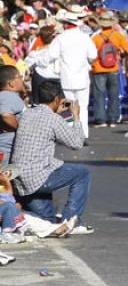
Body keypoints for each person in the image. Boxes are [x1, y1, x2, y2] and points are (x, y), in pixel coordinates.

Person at [12, 80, 93, 234]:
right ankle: (70, 220)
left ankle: (35, 220)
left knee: (48, 222)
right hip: (38, 177)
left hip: (20, 180)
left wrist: (56, 113)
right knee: (83, 173)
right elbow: (77, 143)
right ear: (57, 99)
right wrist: (75, 116)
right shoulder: (53, 119)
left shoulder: (27, 113)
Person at [47, 9, 98, 138]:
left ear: (65, 24)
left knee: (67, 106)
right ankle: (84, 134)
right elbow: (93, 55)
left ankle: (70, 133)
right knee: (83, 107)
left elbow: (51, 55)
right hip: (82, 78)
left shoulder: (60, 38)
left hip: (66, 79)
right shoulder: (84, 37)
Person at [91, 11, 128, 128]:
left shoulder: (96, 37)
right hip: (113, 68)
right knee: (113, 94)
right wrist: (119, 56)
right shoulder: (118, 35)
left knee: (99, 95)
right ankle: (113, 119)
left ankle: (100, 119)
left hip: (98, 69)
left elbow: (91, 53)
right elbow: (127, 50)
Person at [24, 25, 60, 104]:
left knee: (37, 103)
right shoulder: (61, 50)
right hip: (57, 78)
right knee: (59, 103)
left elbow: (26, 64)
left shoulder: (35, 53)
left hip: (41, 78)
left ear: (40, 38)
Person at [0, 65, 25, 167]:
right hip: (7, 151)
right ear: (11, 83)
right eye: (19, 77)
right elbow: (5, 115)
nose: (22, 79)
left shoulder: (4, 95)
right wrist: (21, 128)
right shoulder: (8, 96)